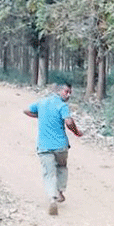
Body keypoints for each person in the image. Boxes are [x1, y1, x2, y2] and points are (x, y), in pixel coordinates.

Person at [23, 81, 83, 216]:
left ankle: (52, 198)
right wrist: (76, 132)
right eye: (66, 91)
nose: (68, 95)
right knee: (62, 167)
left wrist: (40, 116)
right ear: (58, 91)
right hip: (61, 146)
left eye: (69, 92)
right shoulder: (62, 106)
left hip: (44, 146)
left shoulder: (41, 103)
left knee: (48, 173)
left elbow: (26, 110)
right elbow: (68, 121)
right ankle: (60, 192)